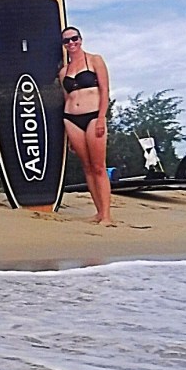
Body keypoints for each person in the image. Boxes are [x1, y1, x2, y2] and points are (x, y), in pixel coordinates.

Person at [58, 26, 112, 225]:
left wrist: (101, 117)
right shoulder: (64, 72)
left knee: (99, 166)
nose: (71, 43)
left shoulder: (95, 60)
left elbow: (105, 90)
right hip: (71, 118)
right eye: (66, 41)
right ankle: (98, 211)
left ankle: (106, 215)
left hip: (93, 116)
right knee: (87, 167)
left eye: (74, 38)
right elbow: (67, 97)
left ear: (81, 39)